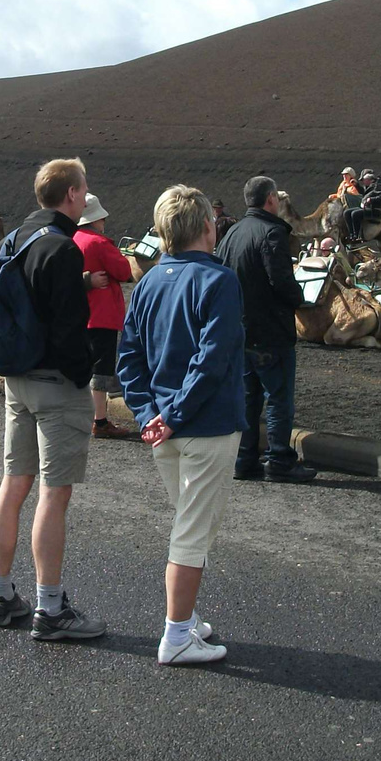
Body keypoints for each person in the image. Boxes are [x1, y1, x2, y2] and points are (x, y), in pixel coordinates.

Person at [118, 184, 246, 664]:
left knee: (193, 523)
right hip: (204, 424)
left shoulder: (149, 281)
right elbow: (212, 360)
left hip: (162, 426)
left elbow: (129, 354)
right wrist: (169, 416)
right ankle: (175, 635)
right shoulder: (220, 282)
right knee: (193, 530)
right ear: (208, 227)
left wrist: (148, 411)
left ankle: (186, 620)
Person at [0, 157, 105, 641]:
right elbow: (70, 327)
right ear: (72, 195)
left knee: (14, 484)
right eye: (84, 188)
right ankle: (50, 608)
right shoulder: (65, 247)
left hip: (17, 380)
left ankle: (1, 596)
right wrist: (84, 376)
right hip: (58, 384)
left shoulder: (15, 238)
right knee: (54, 495)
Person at [217, 175, 317, 483]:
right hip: (271, 332)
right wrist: (300, 300)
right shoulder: (272, 233)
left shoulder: (231, 234)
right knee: (278, 397)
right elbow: (281, 282)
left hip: (240, 331)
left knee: (248, 398)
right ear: (271, 199)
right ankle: (279, 459)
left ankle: (245, 459)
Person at [74, 193, 136, 440]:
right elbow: (123, 271)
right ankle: (99, 421)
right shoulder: (98, 243)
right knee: (101, 370)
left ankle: (85, 416)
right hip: (102, 315)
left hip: (81, 314)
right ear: (95, 219)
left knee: (85, 367)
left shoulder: (73, 239)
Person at [344, 169, 381, 244]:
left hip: (375, 210)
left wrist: (371, 200)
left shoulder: (378, 185)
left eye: (363, 180)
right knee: (347, 212)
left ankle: (357, 236)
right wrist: (357, 185)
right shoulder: (368, 186)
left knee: (355, 214)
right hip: (366, 208)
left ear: (369, 180)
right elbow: (364, 193)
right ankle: (352, 235)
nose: (363, 182)